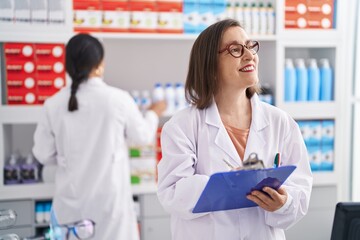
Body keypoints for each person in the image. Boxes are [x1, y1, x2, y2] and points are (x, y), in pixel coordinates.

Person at [157, 19, 313, 240]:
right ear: (209, 64)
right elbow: (172, 192)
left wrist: (283, 203)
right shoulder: (182, 126)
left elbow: (301, 189)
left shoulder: (281, 122)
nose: (249, 55)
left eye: (250, 46)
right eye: (236, 49)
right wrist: (227, 182)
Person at [32, 33, 166, 240]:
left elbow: (43, 154)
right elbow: (142, 136)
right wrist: (152, 113)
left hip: (70, 206)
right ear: (100, 63)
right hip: (110, 207)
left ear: (67, 65)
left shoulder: (53, 104)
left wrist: (68, 157)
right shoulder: (117, 99)